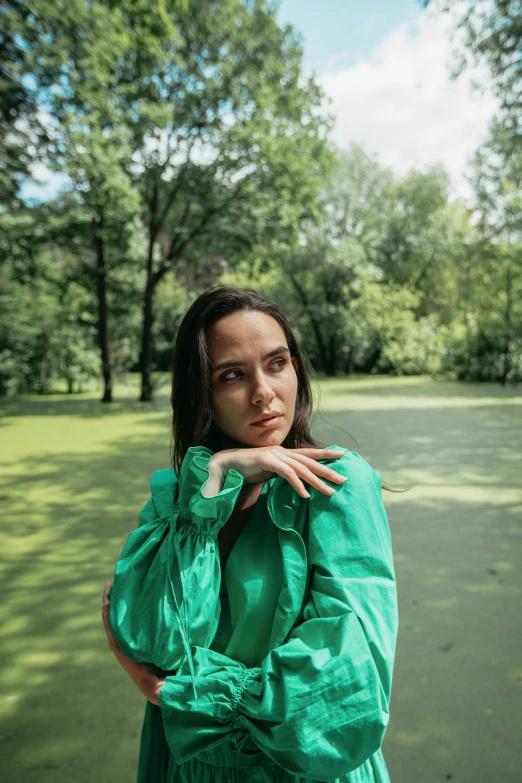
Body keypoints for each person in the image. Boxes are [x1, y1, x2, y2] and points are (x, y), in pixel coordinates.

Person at [101, 285, 399, 783]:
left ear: (296, 370)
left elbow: (348, 684)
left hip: (300, 770)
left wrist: (179, 694)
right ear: (202, 391)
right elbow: (151, 638)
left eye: (277, 363)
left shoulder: (337, 487)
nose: (263, 392)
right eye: (232, 375)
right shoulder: (177, 498)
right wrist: (215, 478)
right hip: (187, 766)